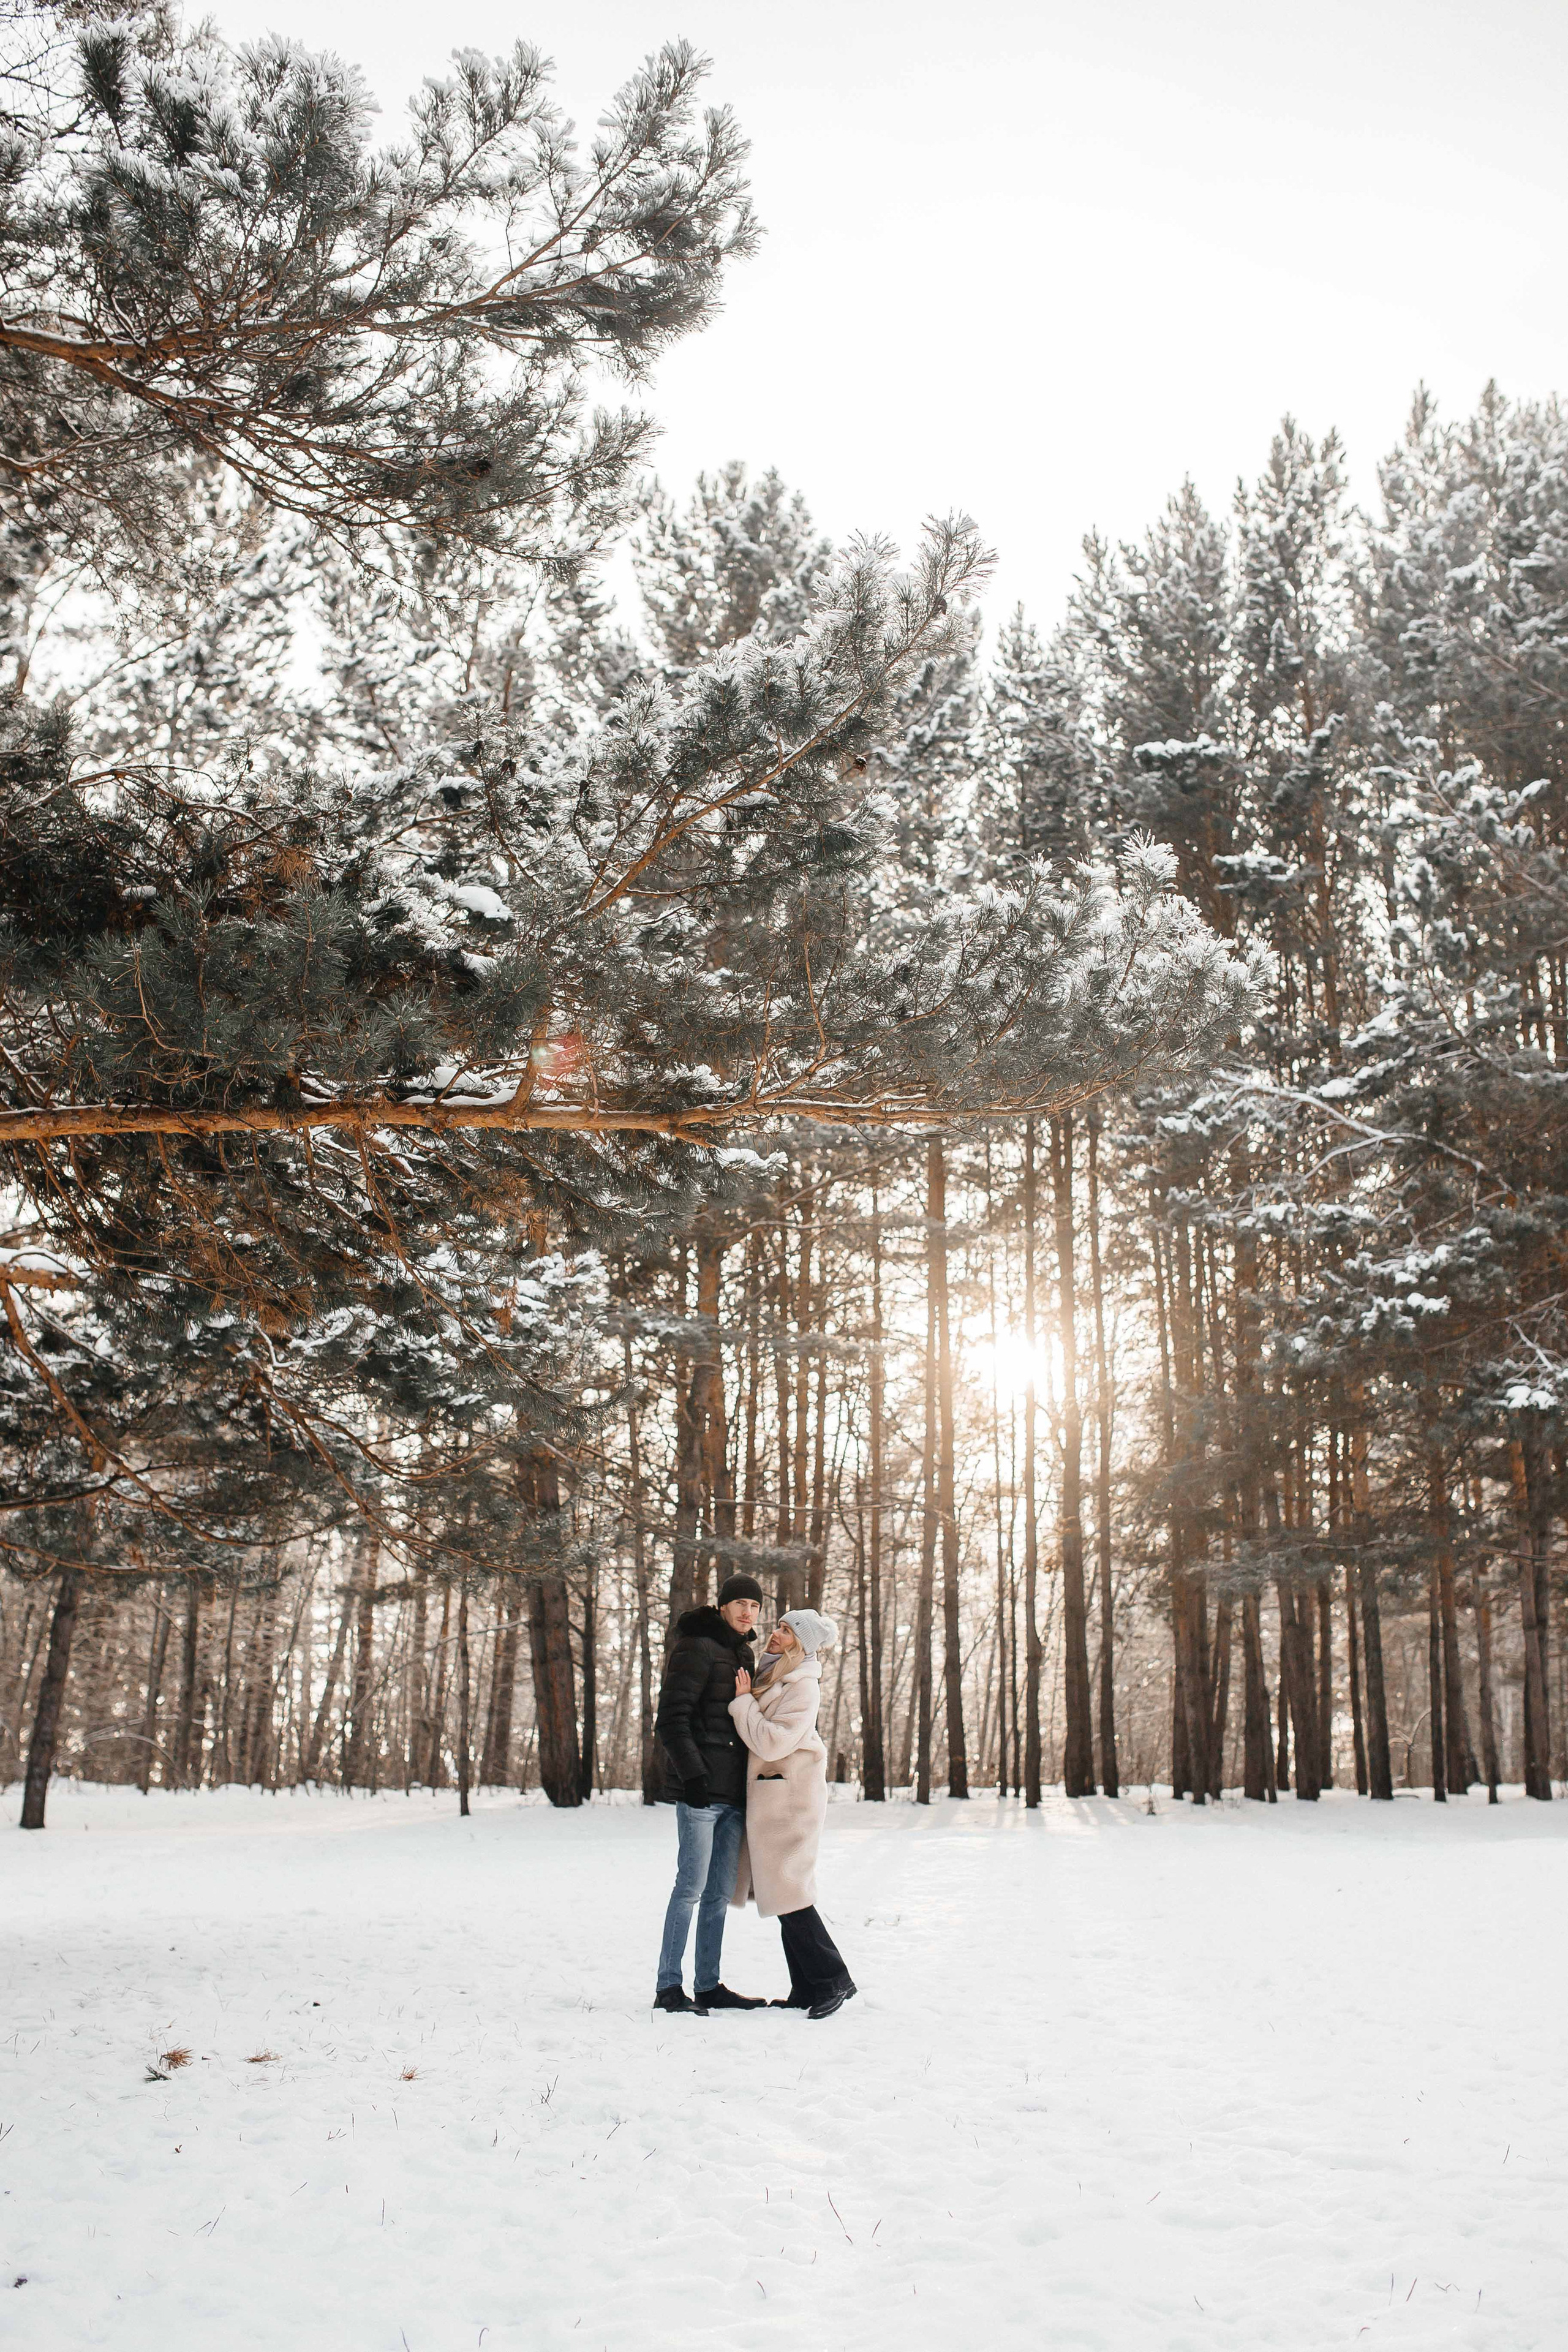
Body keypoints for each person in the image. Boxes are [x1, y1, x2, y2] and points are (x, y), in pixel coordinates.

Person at [729, 1608, 857, 2019]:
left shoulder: (803, 1687)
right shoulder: (774, 1676)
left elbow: (772, 1743)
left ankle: (833, 1980)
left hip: (793, 1802)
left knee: (789, 1892)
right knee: (782, 1893)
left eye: (787, 1631)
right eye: (779, 1627)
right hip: (775, 1800)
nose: (776, 1634)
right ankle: (805, 1986)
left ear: (801, 1645)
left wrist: (743, 1704)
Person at [650, 1573, 770, 2015]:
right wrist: (694, 1778)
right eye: (739, 1603)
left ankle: (708, 1985)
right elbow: (671, 1720)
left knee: (720, 1895)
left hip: (735, 1798)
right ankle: (668, 1986)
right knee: (690, 1889)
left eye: (755, 1606)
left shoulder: (743, 1653)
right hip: (701, 1796)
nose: (747, 1612)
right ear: (722, 1606)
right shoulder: (696, 1646)